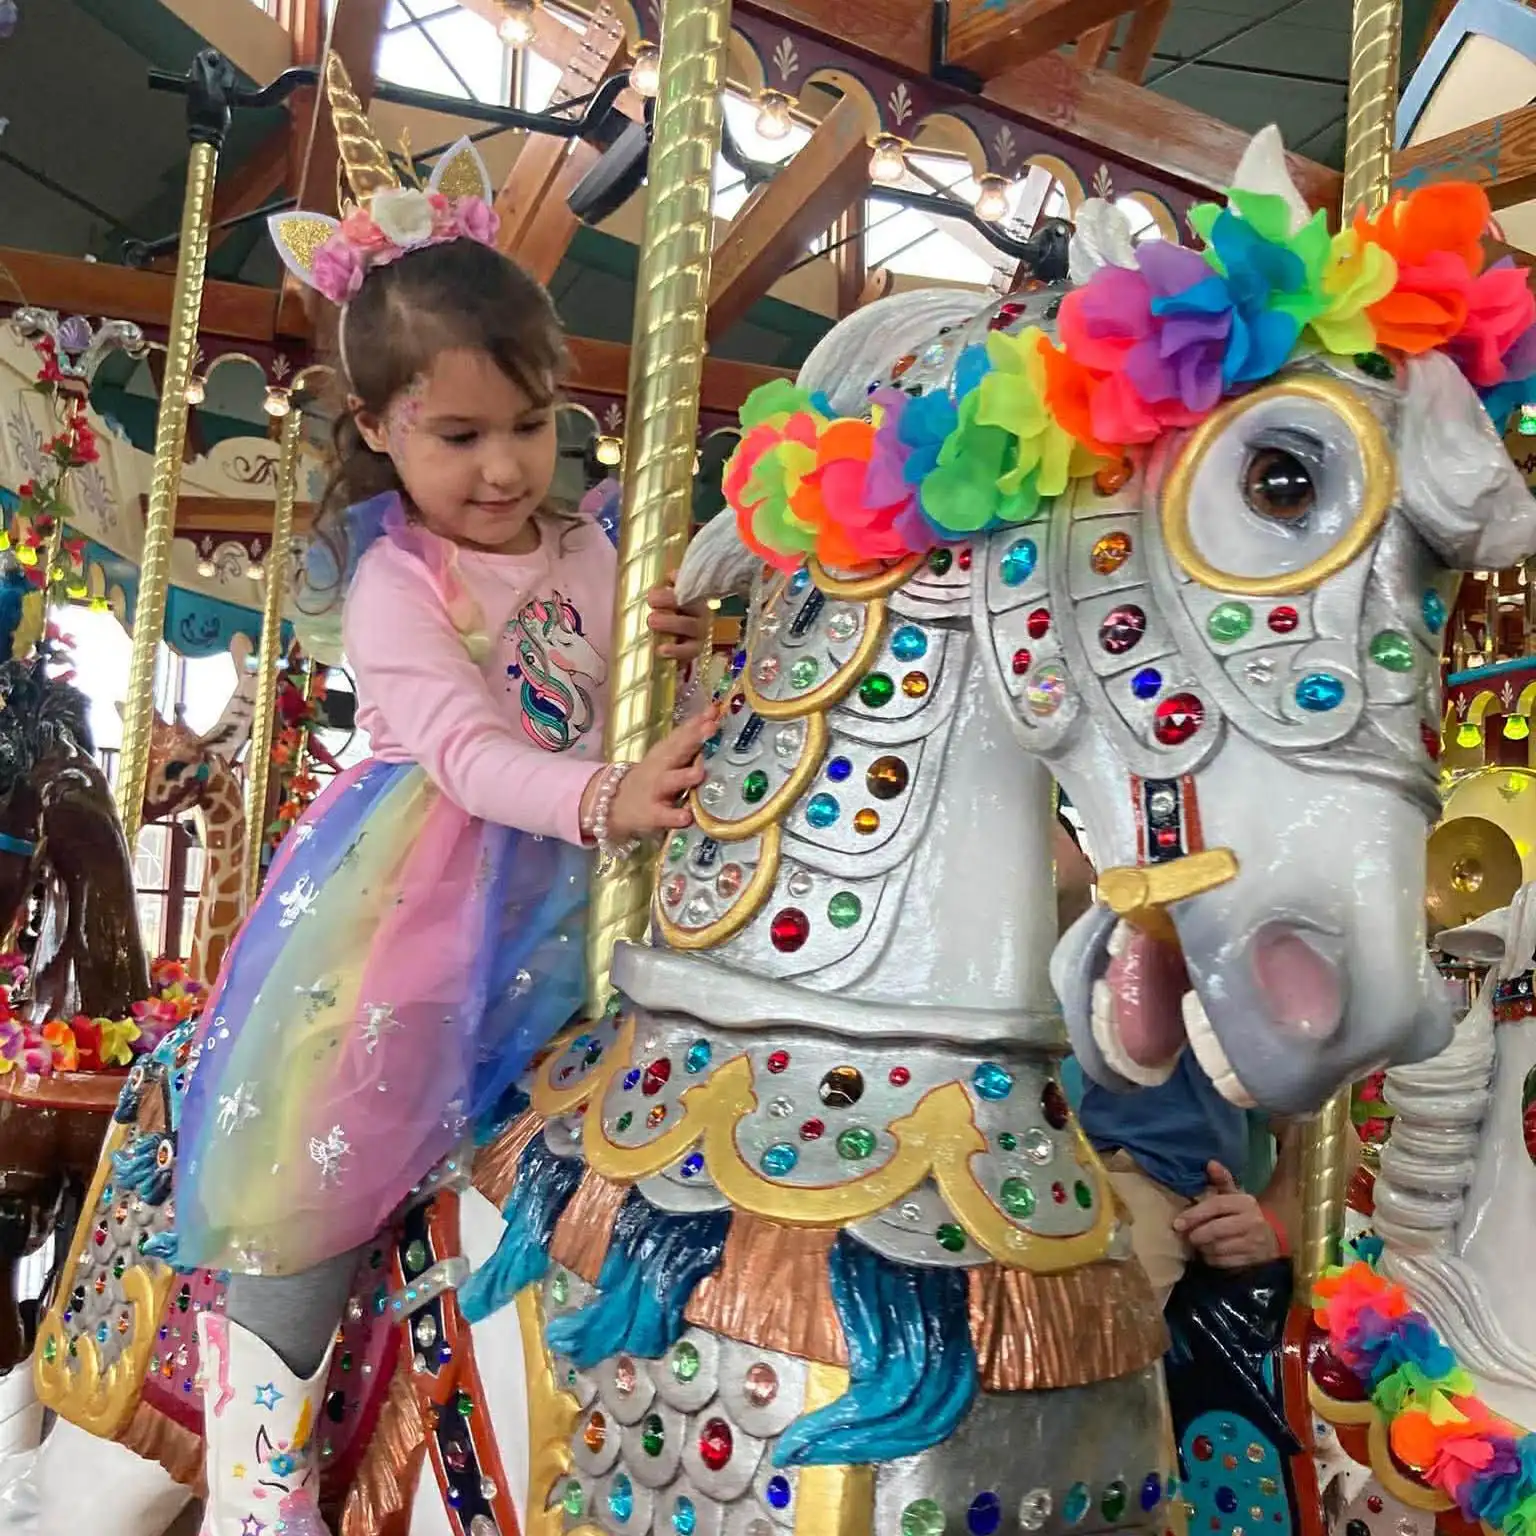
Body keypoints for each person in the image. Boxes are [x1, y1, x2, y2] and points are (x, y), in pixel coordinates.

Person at [172, 137, 714, 1536]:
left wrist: (684, 660)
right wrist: (602, 794)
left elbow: (650, 719)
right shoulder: (396, 585)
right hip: (422, 912)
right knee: (317, 1169)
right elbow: (474, 758)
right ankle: (261, 1474)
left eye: (528, 427)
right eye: (457, 436)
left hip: (594, 905)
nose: (501, 468)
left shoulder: (600, 549)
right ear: (376, 425)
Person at [1054, 816, 1295, 1307]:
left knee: (1111, 1295)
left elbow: (1330, 1143)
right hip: (1070, 1190)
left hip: (1163, 1186)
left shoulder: (1182, 986)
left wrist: (1274, 1222)